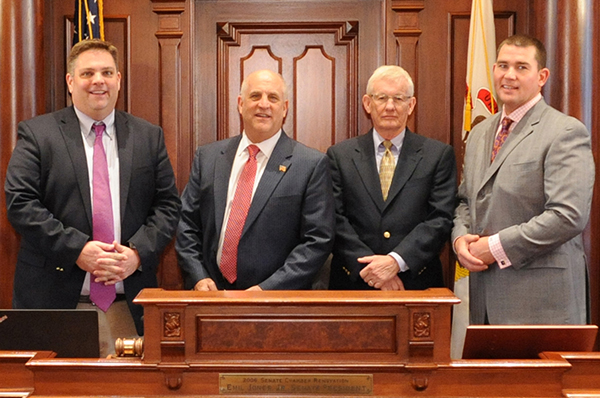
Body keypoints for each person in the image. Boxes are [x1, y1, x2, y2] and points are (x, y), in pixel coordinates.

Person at [5, 39, 181, 355]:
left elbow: (168, 205)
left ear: (118, 80)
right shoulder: (37, 134)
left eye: (106, 72)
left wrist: (137, 254)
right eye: (88, 73)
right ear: (71, 82)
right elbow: (21, 203)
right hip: (57, 305)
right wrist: (77, 250)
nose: (98, 80)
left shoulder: (147, 136)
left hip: (132, 306)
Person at [452, 34, 595, 325]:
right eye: (503, 65)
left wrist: (494, 248)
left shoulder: (565, 132)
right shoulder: (480, 133)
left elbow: (568, 216)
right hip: (484, 301)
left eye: (521, 67)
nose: (509, 75)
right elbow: (467, 200)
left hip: (542, 305)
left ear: (542, 76)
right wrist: (459, 240)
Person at [176, 69, 335, 291]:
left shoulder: (310, 164)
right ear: (241, 104)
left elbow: (317, 241)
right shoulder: (208, 157)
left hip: (275, 304)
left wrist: (267, 290)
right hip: (210, 297)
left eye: (273, 98)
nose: (263, 104)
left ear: (285, 108)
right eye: (255, 96)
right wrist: (199, 277)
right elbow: (186, 225)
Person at [327, 65, 457, 291]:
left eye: (398, 98)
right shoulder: (340, 156)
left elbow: (440, 219)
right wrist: (372, 270)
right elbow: (333, 219)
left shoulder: (438, 155)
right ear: (368, 103)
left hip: (416, 284)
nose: (390, 106)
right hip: (354, 284)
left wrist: (396, 262)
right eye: (382, 98)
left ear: (411, 105)